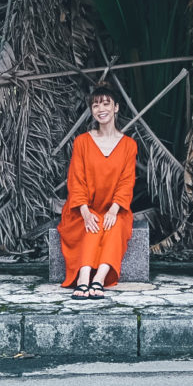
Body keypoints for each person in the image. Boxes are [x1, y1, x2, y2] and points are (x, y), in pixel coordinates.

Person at [58, 83, 137, 299]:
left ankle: (98, 279)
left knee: (114, 226)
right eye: (95, 105)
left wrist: (113, 210)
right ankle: (83, 278)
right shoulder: (82, 142)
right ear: (92, 111)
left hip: (115, 208)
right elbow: (76, 180)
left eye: (105, 104)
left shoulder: (129, 145)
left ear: (116, 108)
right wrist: (84, 211)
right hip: (81, 208)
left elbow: (127, 181)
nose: (101, 109)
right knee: (92, 224)